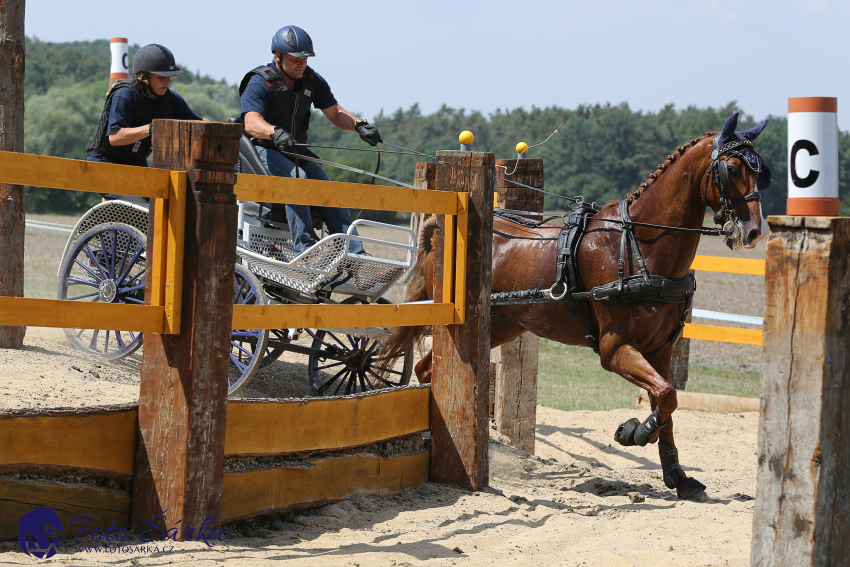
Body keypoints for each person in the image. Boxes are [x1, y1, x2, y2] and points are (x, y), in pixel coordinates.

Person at [239, 25, 382, 256]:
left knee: (328, 188)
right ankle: (305, 252)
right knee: (298, 178)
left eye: (305, 58)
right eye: (295, 58)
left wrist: (359, 125)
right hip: (262, 151)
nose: (301, 63)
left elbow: (335, 112)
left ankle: (355, 256)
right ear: (277, 56)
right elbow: (251, 123)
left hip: (295, 151)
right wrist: (275, 132)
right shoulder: (259, 82)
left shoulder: (311, 80)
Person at [86, 43, 204, 170]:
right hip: (105, 161)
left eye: (169, 76)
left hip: (137, 163)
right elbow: (115, 138)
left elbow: (198, 122)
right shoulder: (125, 94)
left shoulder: (171, 99)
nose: (168, 81)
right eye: (161, 77)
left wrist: (227, 125)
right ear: (144, 77)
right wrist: (153, 128)